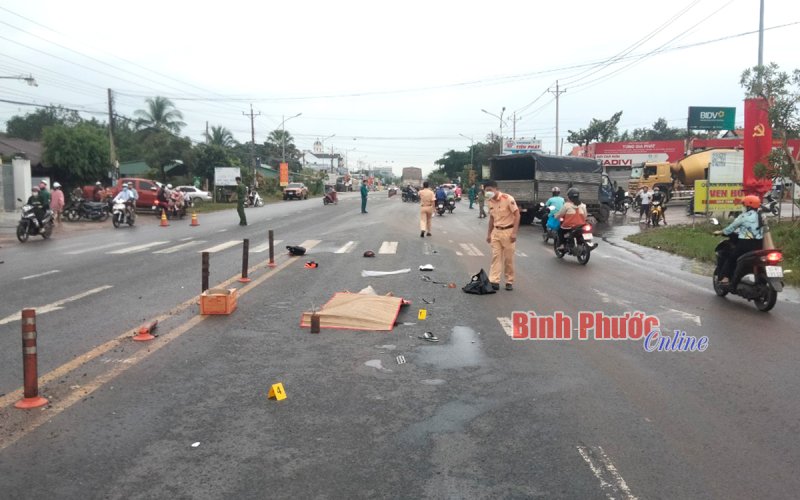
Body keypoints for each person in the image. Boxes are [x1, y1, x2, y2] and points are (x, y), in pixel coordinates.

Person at [714, 195, 764, 285]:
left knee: (732, 258)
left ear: (748, 206)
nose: (743, 207)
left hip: (745, 245)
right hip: (759, 245)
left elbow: (731, 228)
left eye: (744, 205)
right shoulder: (762, 216)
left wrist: (720, 232)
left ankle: (726, 278)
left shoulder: (743, 216)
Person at [485, 180, 520, 291]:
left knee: (508, 259)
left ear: (496, 189)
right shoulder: (489, 201)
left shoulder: (508, 199)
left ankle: (509, 281)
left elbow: (517, 215)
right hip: (496, 232)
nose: (488, 192)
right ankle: (494, 281)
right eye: (486, 190)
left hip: (508, 232)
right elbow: (491, 218)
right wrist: (489, 234)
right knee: (496, 257)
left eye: (490, 190)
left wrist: (514, 232)